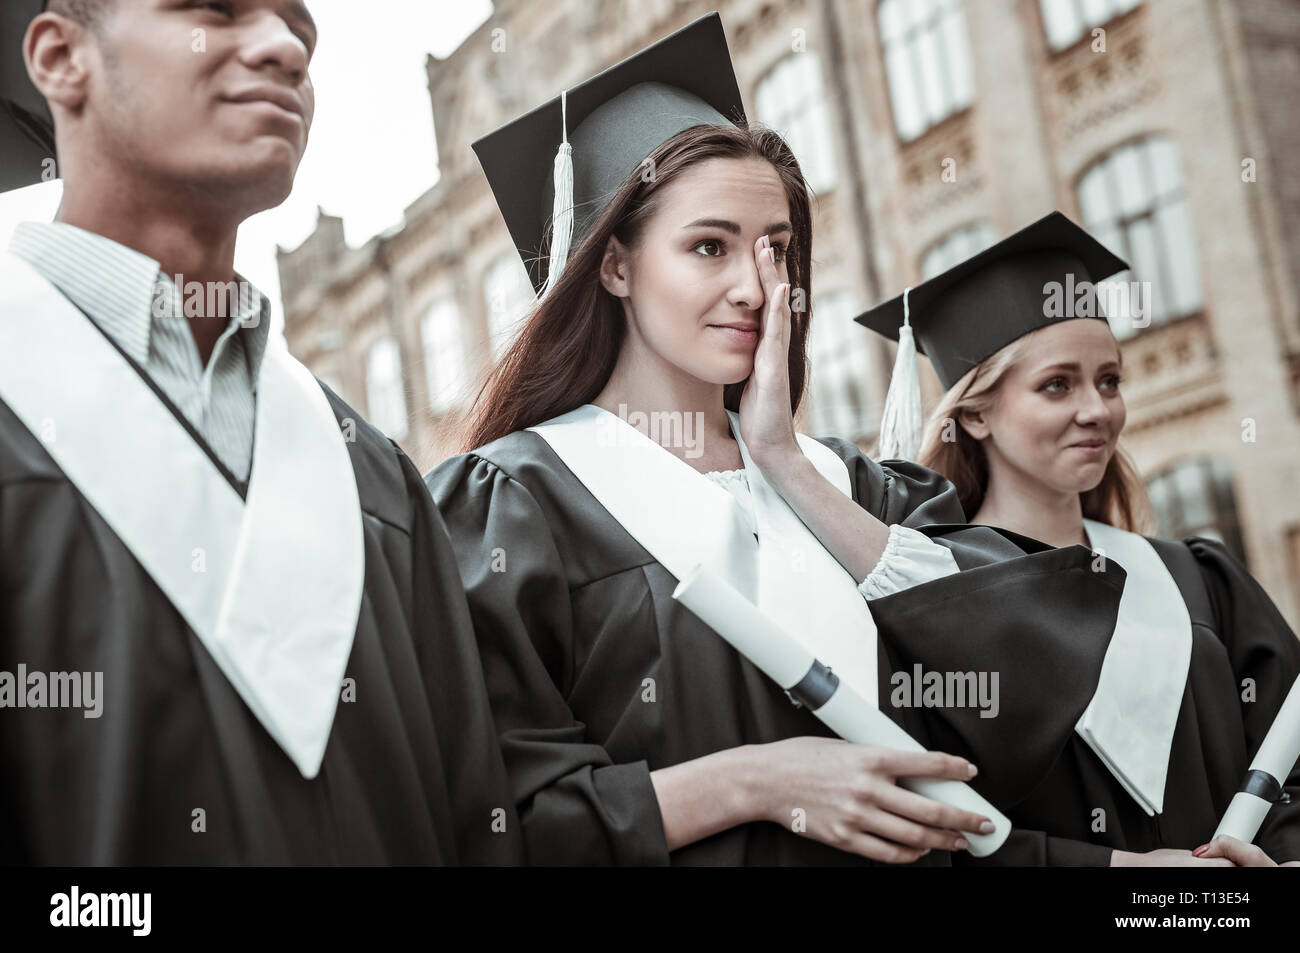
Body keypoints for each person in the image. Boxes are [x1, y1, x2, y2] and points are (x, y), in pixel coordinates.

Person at [425, 14, 1126, 866]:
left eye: (777, 249)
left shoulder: (855, 488)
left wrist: (785, 461)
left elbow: (1015, 687)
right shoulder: (515, 507)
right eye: (708, 247)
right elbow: (489, 818)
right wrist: (757, 782)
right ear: (614, 266)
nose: (755, 288)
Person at [0, 0, 522, 865]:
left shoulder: (371, 475)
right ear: (62, 58)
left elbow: (472, 820)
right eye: (214, 11)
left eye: (300, 31)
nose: (285, 47)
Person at [857, 210, 1300, 867]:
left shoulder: (1196, 581)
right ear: (974, 414)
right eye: (1057, 384)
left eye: (1110, 380)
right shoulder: (929, 600)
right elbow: (940, 831)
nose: (1096, 410)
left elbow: (1289, 767)